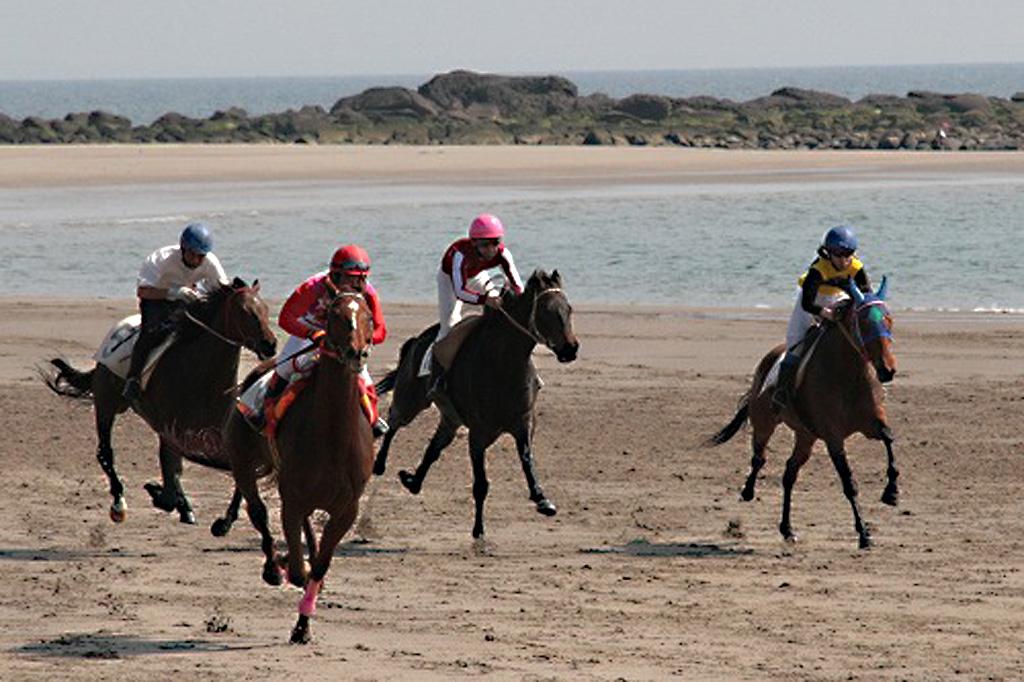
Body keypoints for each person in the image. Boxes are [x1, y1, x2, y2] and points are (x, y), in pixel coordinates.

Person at [251, 244, 388, 436]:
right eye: (352, 278)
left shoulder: (368, 293)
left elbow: (381, 330)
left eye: (361, 279)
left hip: (346, 339)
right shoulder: (312, 287)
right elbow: (286, 318)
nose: (357, 285)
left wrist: (362, 340)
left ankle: (373, 421)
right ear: (336, 275)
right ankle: (266, 411)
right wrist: (311, 333)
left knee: (364, 378)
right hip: (309, 332)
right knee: (285, 366)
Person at [122, 222, 228, 402]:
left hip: (186, 298)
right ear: (182, 248)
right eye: (192, 254)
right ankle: (133, 379)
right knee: (152, 332)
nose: (195, 260)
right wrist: (173, 293)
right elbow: (143, 291)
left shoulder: (210, 262)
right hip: (156, 299)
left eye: (200, 256)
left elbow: (223, 290)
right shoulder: (161, 259)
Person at [772, 224, 872, 411]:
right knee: (796, 341)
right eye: (838, 254)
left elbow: (866, 295)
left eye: (848, 254)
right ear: (828, 253)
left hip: (838, 296)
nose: (844, 260)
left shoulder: (856, 267)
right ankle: (782, 391)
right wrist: (824, 313)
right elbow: (807, 304)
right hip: (812, 299)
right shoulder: (818, 269)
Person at [420, 213, 525, 389]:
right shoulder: (460, 255)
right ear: (474, 243)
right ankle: (432, 369)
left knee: (504, 312)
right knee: (450, 324)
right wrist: (486, 300)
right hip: (450, 280)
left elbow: (518, 286)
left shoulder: (503, 254)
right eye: (485, 244)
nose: (491, 249)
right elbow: (460, 292)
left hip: (476, 276)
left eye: (495, 242)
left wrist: (512, 299)